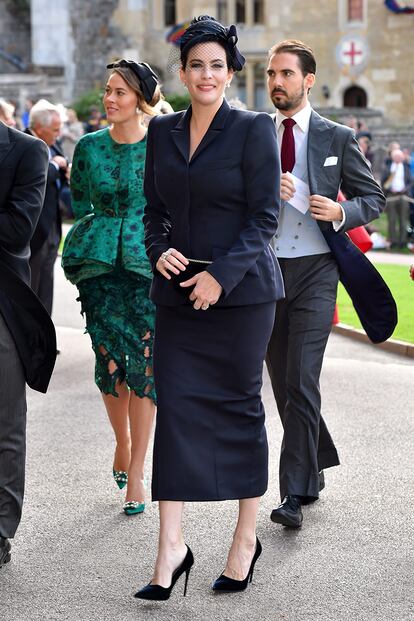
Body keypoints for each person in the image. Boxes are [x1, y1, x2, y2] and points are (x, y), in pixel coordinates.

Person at [135, 16, 283, 601]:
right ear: (182, 72)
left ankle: (245, 540)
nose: (206, 74)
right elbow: (152, 213)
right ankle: (170, 547)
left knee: (240, 408)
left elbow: (264, 218)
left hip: (243, 295)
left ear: (230, 72)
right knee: (173, 411)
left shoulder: (253, 130)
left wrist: (220, 277)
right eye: (196, 64)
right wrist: (159, 251)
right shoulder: (162, 133)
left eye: (216, 65)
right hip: (177, 294)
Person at [265, 40, 386, 529]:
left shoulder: (336, 136)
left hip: (317, 269)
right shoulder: (253, 132)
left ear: (308, 80)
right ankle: (313, 465)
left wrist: (340, 211)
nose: (277, 82)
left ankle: (292, 493)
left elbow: (372, 197)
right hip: (266, 270)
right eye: (272, 74)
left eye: (286, 74)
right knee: (281, 383)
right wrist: (262, 190)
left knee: (301, 379)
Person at [62, 59, 161, 515]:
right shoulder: (87, 146)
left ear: (139, 98)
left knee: (143, 362)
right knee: (110, 360)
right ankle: (121, 440)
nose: (109, 99)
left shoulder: (162, 143)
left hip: (147, 267)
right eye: (107, 91)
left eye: (119, 92)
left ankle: (137, 469)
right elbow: (81, 201)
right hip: (98, 267)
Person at [0, 120, 56, 568]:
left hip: (3, 305)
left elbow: (17, 229)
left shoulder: (27, 151)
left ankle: (0, 532)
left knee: (5, 426)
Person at [25, 99, 68, 315]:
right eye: (55, 129)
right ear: (40, 129)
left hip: (52, 224)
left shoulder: (52, 144)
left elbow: (59, 164)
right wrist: (54, 165)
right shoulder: (24, 142)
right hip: (33, 228)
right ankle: (27, 342)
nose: (58, 134)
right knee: (31, 286)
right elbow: (38, 174)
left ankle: (45, 340)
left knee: (47, 285)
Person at [381, 148, 412, 249]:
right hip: (391, 196)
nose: (398, 158)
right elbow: (383, 182)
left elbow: (410, 182)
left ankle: (402, 242)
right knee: (392, 219)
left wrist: (405, 189)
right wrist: (389, 189)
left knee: (404, 219)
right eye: (396, 156)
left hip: (404, 196)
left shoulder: (406, 167)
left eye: (400, 156)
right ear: (393, 157)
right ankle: (393, 241)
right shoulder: (388, 167)